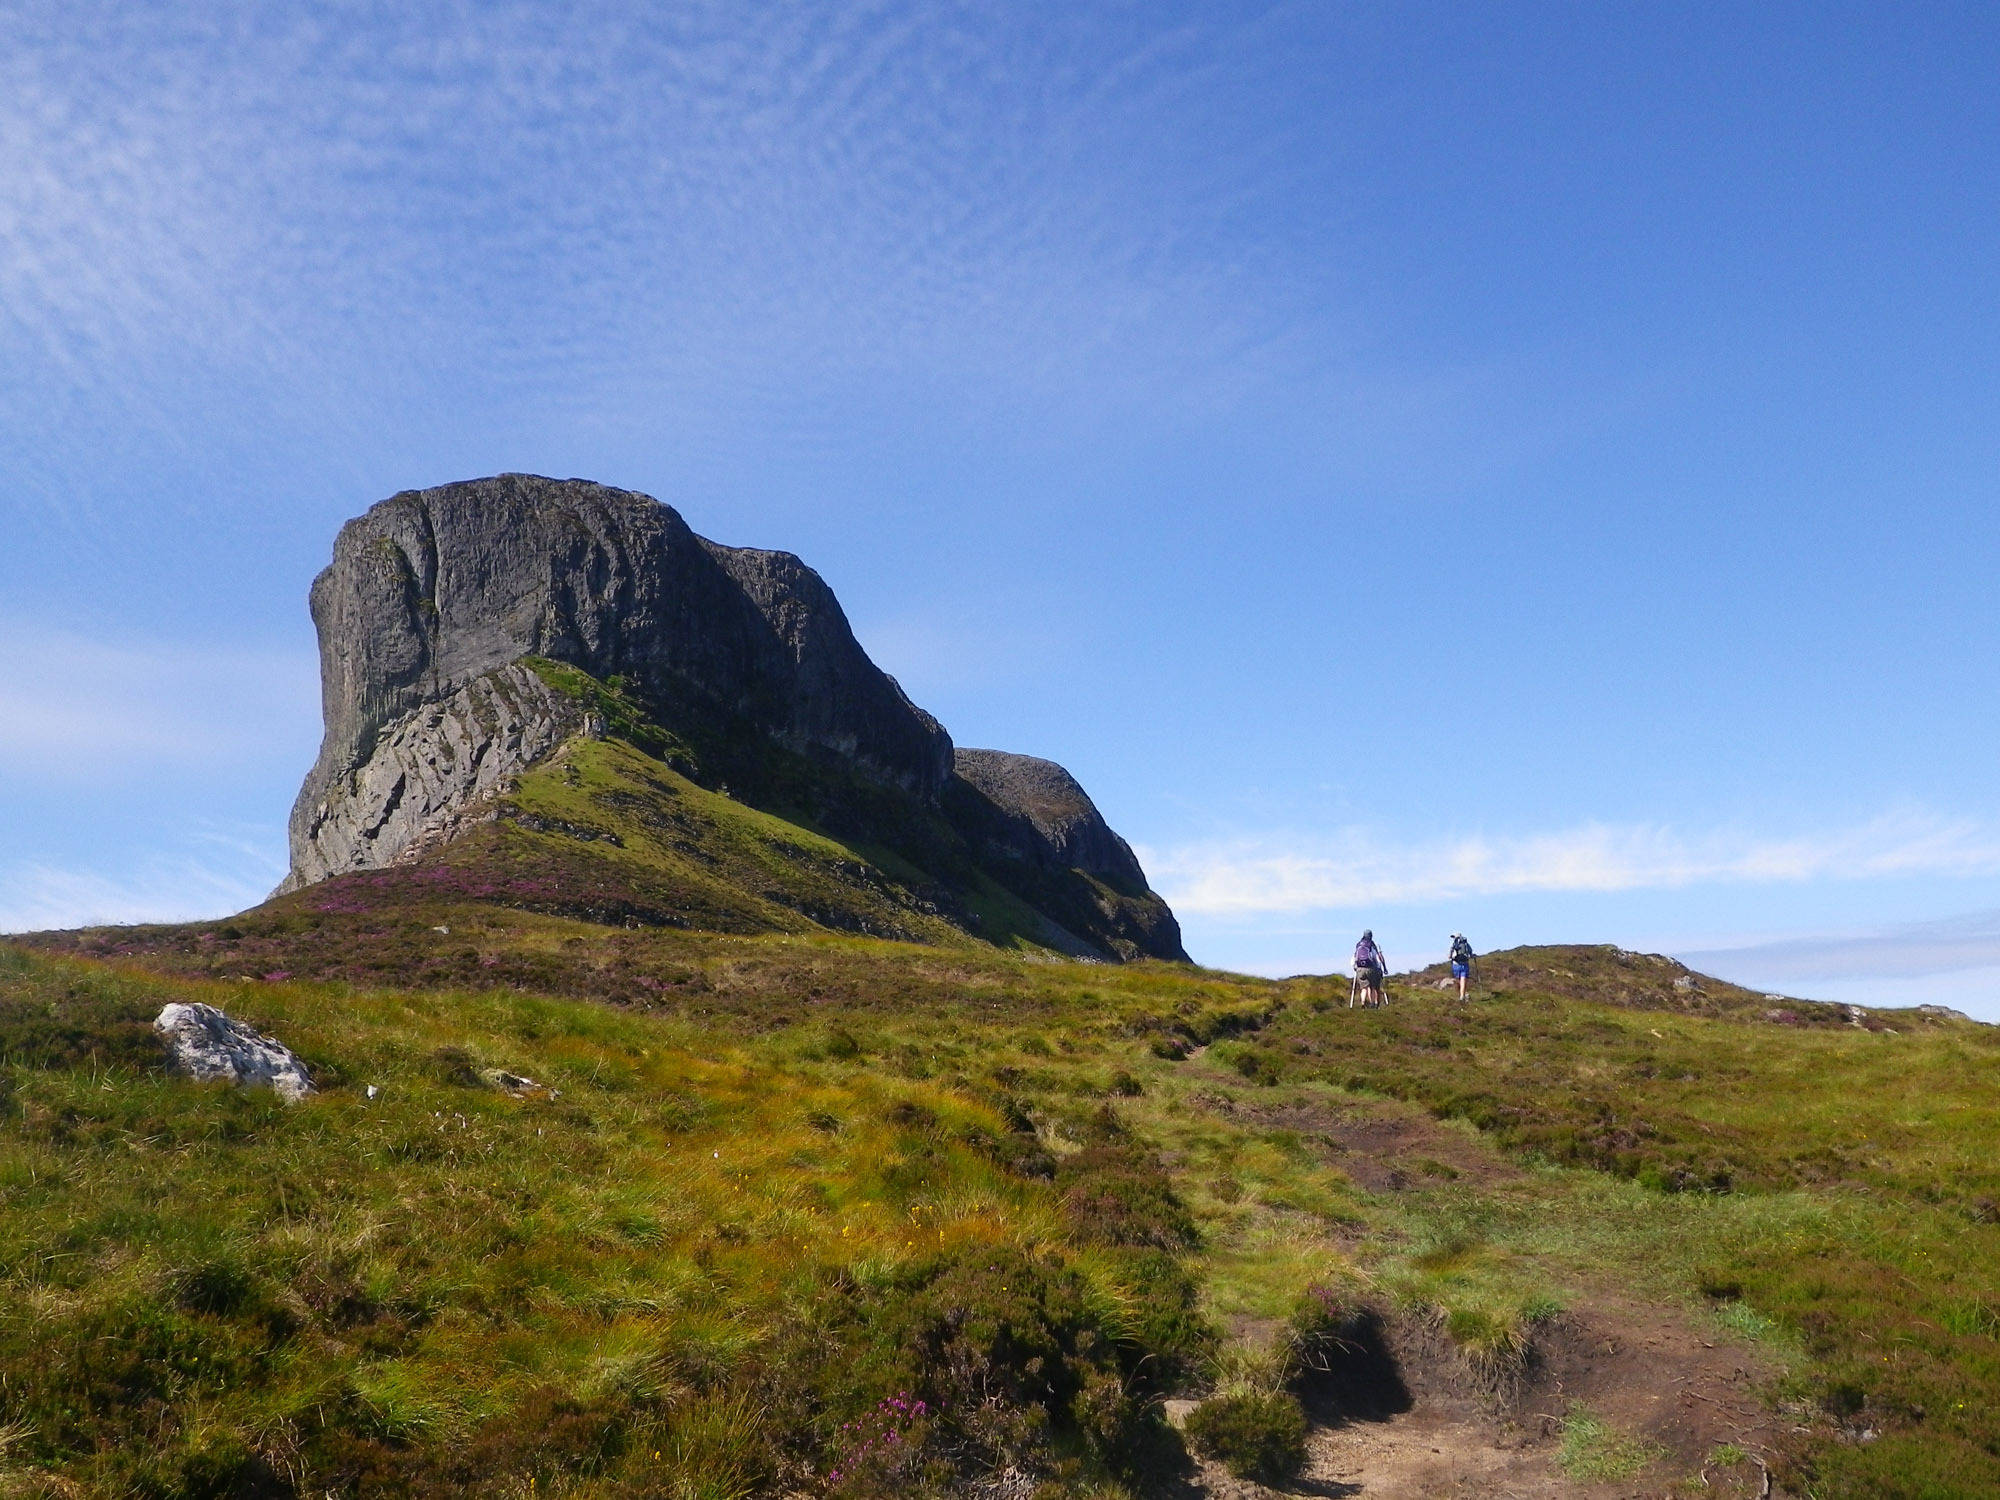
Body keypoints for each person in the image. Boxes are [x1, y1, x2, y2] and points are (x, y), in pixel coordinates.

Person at [1352, 930, 1387, 1008]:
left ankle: (1363, 1003)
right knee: (1373, 986)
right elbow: (1378, 957)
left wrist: (1355, 967)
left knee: (1364, 988)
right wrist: (1384, 967)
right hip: (1371, 968)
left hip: (1359, 968)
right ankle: (1374, 1004)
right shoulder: (1373, 944)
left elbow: (1354, 957)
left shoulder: (1358, 944)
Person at [1448, 933, 1475, 1000]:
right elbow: (1470, 952)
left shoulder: (1453, 943)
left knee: (1459, 980)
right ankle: (1462, 995)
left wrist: (1450, 956)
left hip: (1456, 964)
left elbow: (1450, 954)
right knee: (1463, 980)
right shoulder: (1465, 943)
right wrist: (1472, 956)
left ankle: (1462, 995)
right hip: (1464, 964)